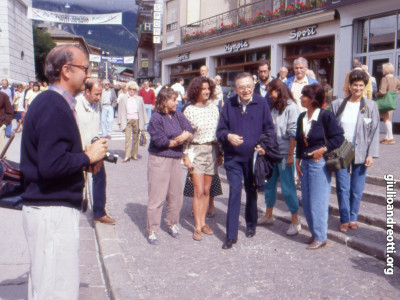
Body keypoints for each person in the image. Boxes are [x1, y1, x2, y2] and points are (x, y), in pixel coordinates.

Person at [20, 44, 108, 300]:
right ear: (66, 70)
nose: (88, 74)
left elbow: (51, 157)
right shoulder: (53, 105)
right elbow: (51, 165)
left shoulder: (51, 102)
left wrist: (83, 161)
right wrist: (87, 156)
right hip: (52, 211)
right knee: (55, 290)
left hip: (50, 209)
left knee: (47, 284)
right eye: (85, 68)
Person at [217, 72, 274, 249]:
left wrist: (264, 147)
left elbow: (269, 130)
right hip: (233, 158)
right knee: (235, 192)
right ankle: (230, 235)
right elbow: (220, 131)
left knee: (251, 191)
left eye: (249, 86)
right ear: (236, 89)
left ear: (253, 86)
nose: (246, 90)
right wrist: (228, 136)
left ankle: (251, 224)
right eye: (241, 87)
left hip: (253, 158)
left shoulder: (261, 102)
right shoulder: (229, 104)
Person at [295, 83, 344, 250]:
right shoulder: (302, 117)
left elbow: (339, 138)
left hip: (319, 163)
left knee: (318, 202)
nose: (301, 98)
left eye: (304, 95)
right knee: (307, 201)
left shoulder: (325, 116)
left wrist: (322, 150)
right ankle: (315, 233)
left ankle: (321, 237)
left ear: (313, 99)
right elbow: (299, 141)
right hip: (305, 162)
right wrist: (297, 161)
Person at [330, 69, 379, 232]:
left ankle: (353, 217)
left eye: (361, 85)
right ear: (349, 86)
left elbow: (374, 131)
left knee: (357, 189)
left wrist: (371, 154)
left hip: (361, 152)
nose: (358, 88)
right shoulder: (337, 105)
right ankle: (344, 219)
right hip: (341, 152)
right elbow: (328, 128)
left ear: (365, 87)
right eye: (354, 85)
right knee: (343, 187)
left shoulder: (371, 106)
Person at [146, 86, 193, 244]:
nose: (177, 102)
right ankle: (152, 229)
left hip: (176, 159)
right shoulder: (156, 118)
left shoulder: (178, 115)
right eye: (173, 99)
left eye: (177, 99)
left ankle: (173, 223)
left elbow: (190, 130)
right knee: (157, 196)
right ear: (164, 101)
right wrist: (180, 139)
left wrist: (182, 137)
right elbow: (160, 141)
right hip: (159, 159)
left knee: (176, 195)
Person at [257, 79, 301, 236]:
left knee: (288, 188)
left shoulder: (291, 107)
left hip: (284, 154)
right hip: (271, 153)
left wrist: (290, 155)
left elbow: (293, 133)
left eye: (271, 92)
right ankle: (268, 215)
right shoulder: (274, 106)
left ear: (279, 90)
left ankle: (295, 221)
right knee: (269, 186)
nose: (269, 95)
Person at [183, 76, 221, 241]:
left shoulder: (214, 108)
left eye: (208, 89)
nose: (206, 91)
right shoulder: (189, 110)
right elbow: (185, 136)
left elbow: (219, 132)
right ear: (195, 91)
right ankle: (197, 227)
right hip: (196, 151)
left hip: (211, 150)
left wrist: (220, 153)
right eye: (203, 89)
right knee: (198, 191)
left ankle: (204, 222)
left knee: (207, 190)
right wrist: (185, 155)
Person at [75, 79, 116, 225]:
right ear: (87, 92)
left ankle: (99, 212)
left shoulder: (96, 105)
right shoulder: (75, 104)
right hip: (78, 150)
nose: (99, 98)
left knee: (100, 178)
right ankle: (71, 211)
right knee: (77, 182)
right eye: (96, 94)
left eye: (100, 94)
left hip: (94, 148)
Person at [119, 81, 148, 162]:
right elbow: (120, 110)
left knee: (136, 138)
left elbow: (143, 110)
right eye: (130, 89)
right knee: (127, 138)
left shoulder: (139, 98)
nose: (131, 90)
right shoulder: (123, 98)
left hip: (137, 119)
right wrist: (119, 121)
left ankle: (134, 154)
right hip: (127, 119)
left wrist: (145, 122)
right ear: (127, 89)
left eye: (133, 89)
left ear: (136, 90)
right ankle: (127, 156)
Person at [375, 62, 400, 144]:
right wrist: (395, 93)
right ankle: (387, 136)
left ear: (385, 70)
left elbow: (382, 91)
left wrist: (376, 94)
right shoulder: (395, 79)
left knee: (386, 119)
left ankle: (391, 138)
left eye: (382, 68)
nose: (382, 70)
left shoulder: (384, 79)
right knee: (388, 118)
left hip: (384, 101)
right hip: (391, 101)